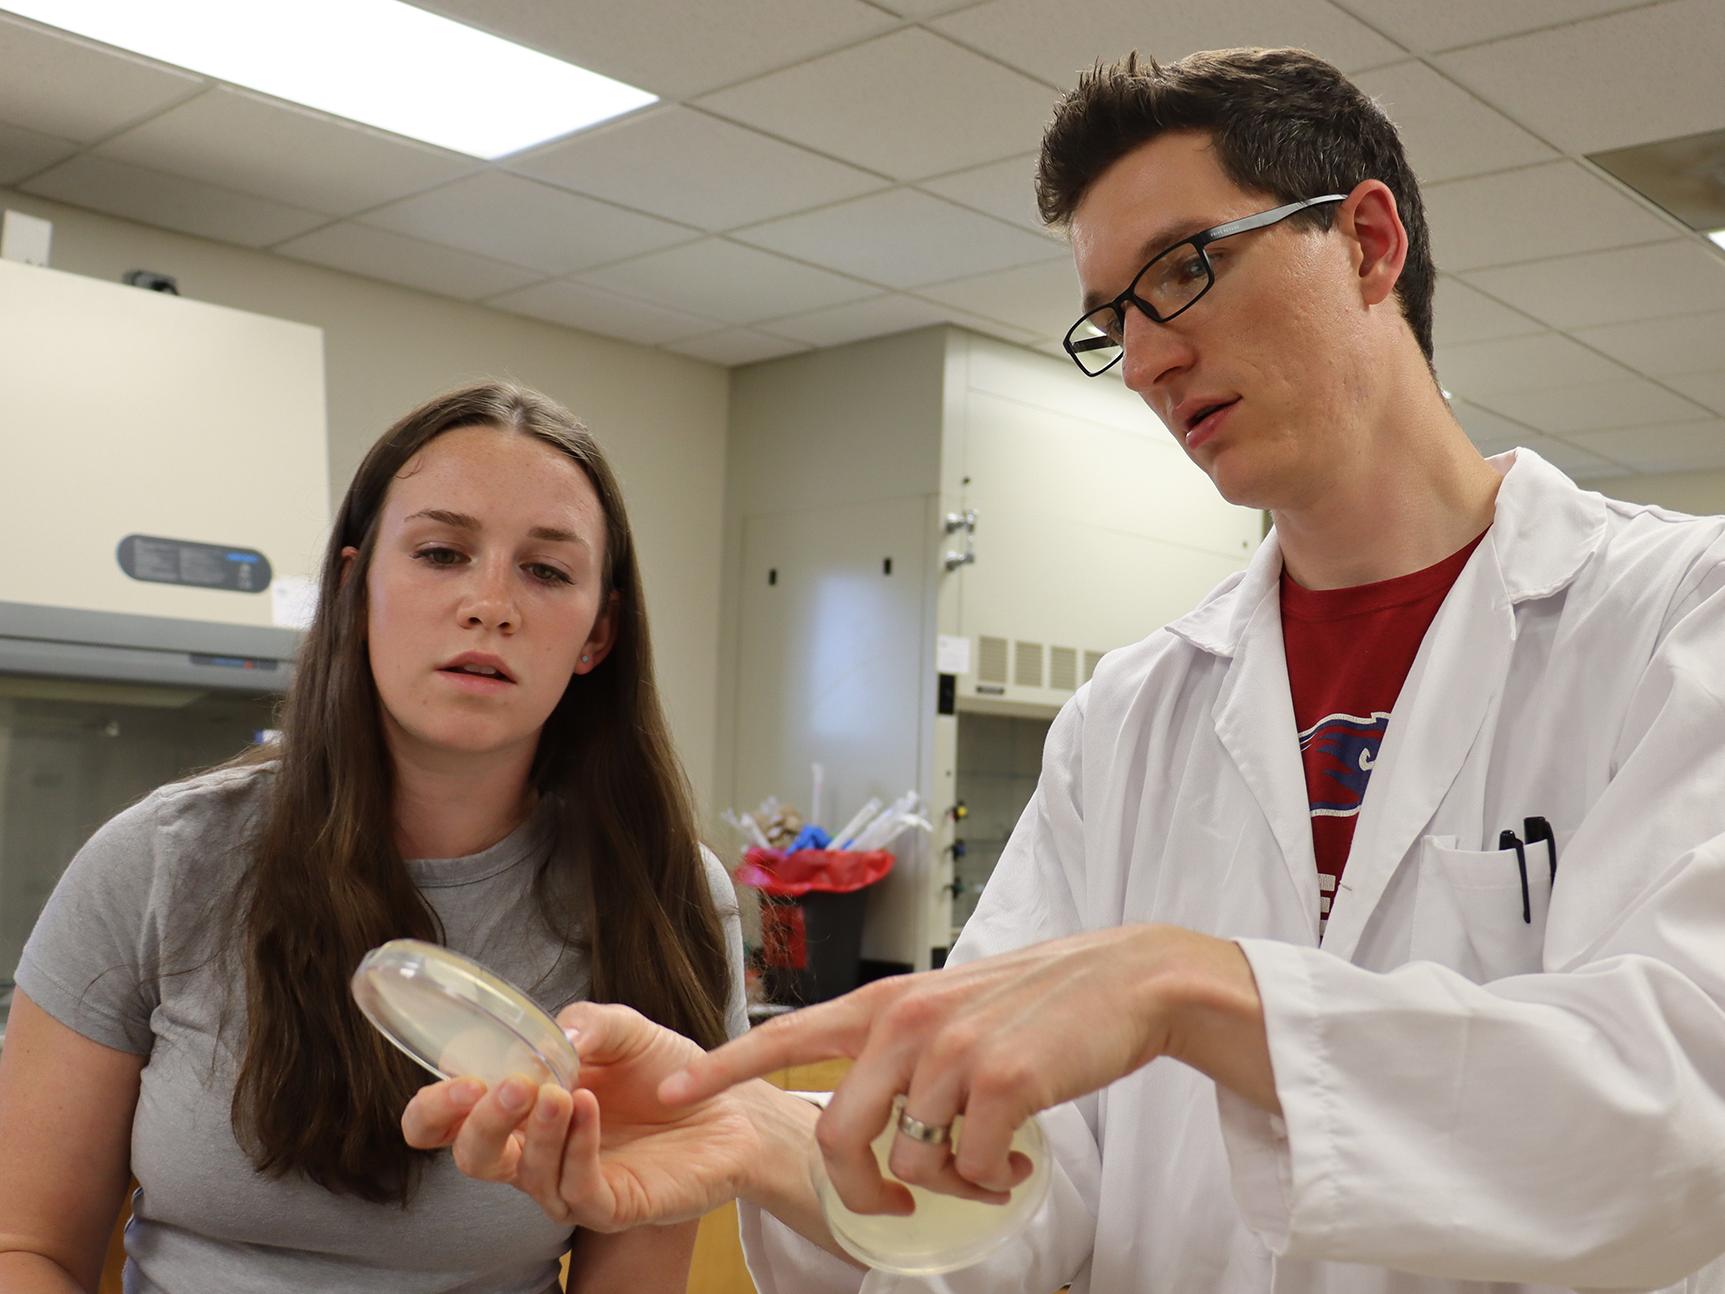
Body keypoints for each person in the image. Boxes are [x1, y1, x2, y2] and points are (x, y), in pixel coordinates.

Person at [412, 48, 1725, 1294]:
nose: (1147, 358)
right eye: (1112, 318)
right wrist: (769, 1143)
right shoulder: (1132, 716)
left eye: (1184, 271)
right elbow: (1023, 1195)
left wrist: (1188, 988)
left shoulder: (1678, 620)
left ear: (1369, 242)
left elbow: (1685, 1117)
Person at [0, 381, 747, 1293]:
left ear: (597, 635)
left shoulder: (665, 894)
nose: (490, 604)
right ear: (354, 588)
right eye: (440, 552)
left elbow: (632, 1277)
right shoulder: (157, 862)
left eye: (546, 571)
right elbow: (23, 1249)